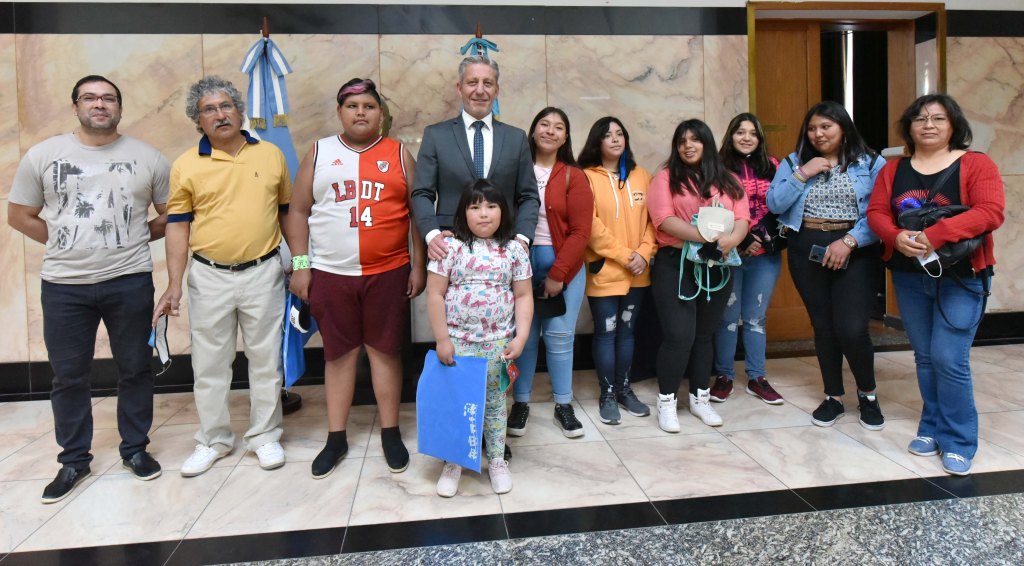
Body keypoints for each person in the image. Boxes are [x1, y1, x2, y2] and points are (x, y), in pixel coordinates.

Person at [8, 75, 169, 503]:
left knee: (135, 368)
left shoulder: (148, 157)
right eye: (90, 98)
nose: (100, 104)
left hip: (129, 280)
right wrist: (64, 240)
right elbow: (20, 214)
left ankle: (135, 449)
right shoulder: (44, 155)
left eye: (109, 98)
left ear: (119, 106)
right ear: (75, 105)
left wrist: (131, 239)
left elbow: (172, 215)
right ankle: (74, 460)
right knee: (68, 376)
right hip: (64, 286)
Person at [284, 78, 426, 479]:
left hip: (388, 272)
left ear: (381, 113)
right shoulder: (320, 152)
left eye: (368, 106)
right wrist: (300, 264)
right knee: (338, 355)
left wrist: (418, 265)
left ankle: (390, 430)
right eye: (352, 106)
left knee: (385, 353)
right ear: (339, 112)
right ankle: (336, 436)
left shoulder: (399, 154)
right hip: (331, 273)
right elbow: (297, 212)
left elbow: (418, 215)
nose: (360, 112)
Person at [154, 76, 291, 476]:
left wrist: (300, 265)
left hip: (264, 271)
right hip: (209, 275)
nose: (220, 114)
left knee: (266, 361)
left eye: (226, 106)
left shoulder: (270, 155)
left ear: (239, 110)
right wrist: (174, 283)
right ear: (198, 121)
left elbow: (288, 214)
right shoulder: (185, 165)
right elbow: (177, 226)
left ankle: (265, 437)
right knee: (210, 365)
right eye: (209, 110)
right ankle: (213, 439)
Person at [867, 94, 1005, 476]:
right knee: (925, 355)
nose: (928, 124)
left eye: (938, 118)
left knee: (949, 357)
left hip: (963, 275)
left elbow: (990, 212)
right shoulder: (894, 170)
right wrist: (895, 237)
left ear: (953, 126)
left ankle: (959, 440)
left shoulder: (976, 164)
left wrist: (936, 235)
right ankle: (932, 427)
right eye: (920, 118)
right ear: (909, 127)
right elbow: (877, 212)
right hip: (911, 275)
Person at [767, 100, 886, 431]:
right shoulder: (794, 162)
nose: (818, 133)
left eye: (826, 126)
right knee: (823, 326)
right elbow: (775, 204)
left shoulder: (871, 162)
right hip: (807, 248)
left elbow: (880, 212)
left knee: (851, 327)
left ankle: (868, 395)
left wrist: (849, 242)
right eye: (812, 128)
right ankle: (833, 396)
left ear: (843, 128)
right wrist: (803, 173)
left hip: (856, 249)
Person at [425, 179, 533, 497]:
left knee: (496, 404)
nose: (483, 214)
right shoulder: (450, 248)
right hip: (459, 343)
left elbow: (524, 295)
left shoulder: (514, 249)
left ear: (503, 211)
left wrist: (522, 336)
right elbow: (434, 294)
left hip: (499, 344)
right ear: (463, 213)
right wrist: (443, 339)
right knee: (458, 403)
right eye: (475, 207)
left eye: (491, 206)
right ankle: (454, 462)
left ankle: (497, 460)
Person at [648, 119, 749, 430]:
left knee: (705, 335)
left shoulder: (729, 180)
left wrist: (731, 240)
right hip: (675, 264)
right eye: (682, 141)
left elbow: (743, 219)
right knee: (679, 335)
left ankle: (699, 399)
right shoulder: (665, 178)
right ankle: (666, 402)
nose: (688, 146)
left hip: (717, 266)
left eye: (695, 140)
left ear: (707, 144)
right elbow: (662, 220)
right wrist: (703, 235)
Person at [507, 107, 593, 439]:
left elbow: (581, 232)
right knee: (523, 339)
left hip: (565, 266)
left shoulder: (574, 175)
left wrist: (558, 273)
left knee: (559, 338)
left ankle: (563, 404)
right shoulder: (516, 170)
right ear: (532, 130)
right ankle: (521, 402)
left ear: (566, 137)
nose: (550, 131)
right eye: (544, 124)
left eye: (559, 127)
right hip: (520, 267)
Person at [411, 55, 540, 263]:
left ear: (496, 90)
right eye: (472, 82)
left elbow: (528, 196)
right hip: (449, 247)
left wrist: (522, 238)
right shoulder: (436, 136)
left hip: (504, 250)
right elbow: (421, 192)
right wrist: (432, 234)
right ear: (459, 88)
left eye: (487, 83)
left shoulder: (516, 138)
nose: (480, 90)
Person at [577, 117, 656, 426]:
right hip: (605, 271)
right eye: (607, 135)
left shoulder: (642, 176)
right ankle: (607, 392)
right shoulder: (586, 177)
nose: (614, 139)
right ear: (596, 141)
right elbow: (591, 226)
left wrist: (644, 254)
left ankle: (624, 389)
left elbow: (654, 221)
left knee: (627, 332)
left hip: (639, 271)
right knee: (606, 333)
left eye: (620, 133)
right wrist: (626, 256)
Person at [710, 113, 785, 405]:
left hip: (764, 254)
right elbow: (712, 207)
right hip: (730, 253)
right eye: (740, 132)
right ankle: (724, 376)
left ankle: (757, 377)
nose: (746, 138)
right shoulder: (717, 168)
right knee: (727, 318)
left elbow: (782, 207)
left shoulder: (775, 166)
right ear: (730, 136)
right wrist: (739, 238)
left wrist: (758, 236)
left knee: (755, 317)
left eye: (752, 133)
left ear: (760, 138)